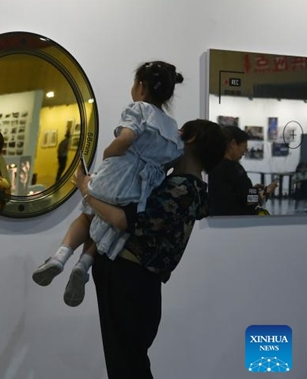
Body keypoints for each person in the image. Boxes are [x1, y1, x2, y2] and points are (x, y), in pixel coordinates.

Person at [72, 119, 226, 379]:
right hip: (139, 285)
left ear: (189, 140)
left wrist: (87, 190)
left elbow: (126, 222)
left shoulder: (181, 188)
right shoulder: (189, 187)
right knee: (129, 364)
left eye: (177, 134)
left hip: (130, 282)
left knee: (127, 368)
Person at [32, 61, 184, 307]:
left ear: (141, 87)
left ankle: (60, 257)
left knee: (86, 215)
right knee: (106, 223)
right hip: (142, 189)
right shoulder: (171, 127)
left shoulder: (139, 109)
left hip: (118, 174)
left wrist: (108, 153)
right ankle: (84, 264)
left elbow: (126, 138)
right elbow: (172, 159)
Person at [208, 126, 278, 215]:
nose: (244, 153)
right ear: (233, 144)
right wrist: (266, 191)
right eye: (244, 148)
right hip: (237, 222)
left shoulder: (212, 166)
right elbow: (248, 198)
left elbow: (239, 192)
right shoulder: (234, 168)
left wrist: (253, 190)